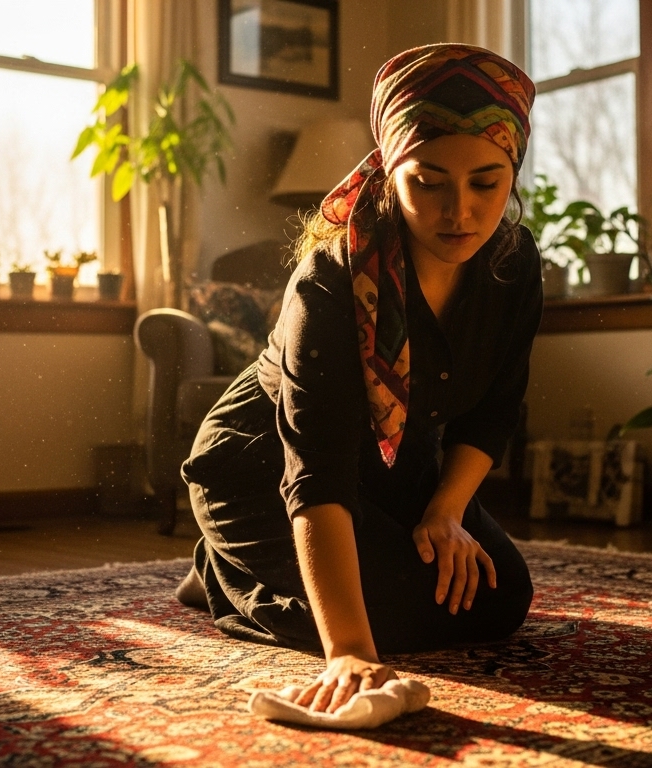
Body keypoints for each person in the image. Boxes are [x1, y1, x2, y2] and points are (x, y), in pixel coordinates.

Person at [177, 44, 541, 715]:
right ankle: (222, 568)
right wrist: (350, 652)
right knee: (381, 618)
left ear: (512, 173)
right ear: (389, 169)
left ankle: (236, 570)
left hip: (397, 468)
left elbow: (493, 410)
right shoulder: (329, 280)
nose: (458, 210)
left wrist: (446, 509)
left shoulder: (514, 265)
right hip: (263, 466)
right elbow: (318, 470)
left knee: (499, 597)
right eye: (428, 181)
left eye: (486, 183)